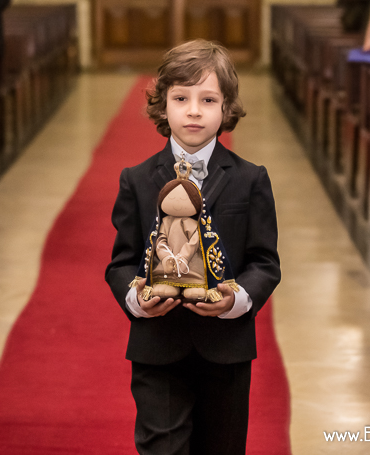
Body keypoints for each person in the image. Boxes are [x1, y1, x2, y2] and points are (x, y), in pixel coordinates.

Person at [106, 40, 281, 455]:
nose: (194, 110)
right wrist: (136, 297)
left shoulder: (250, 179)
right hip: (157, 345)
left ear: (226, 108)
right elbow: (121, 262)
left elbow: (265, 262)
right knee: (160, 446)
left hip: (226, 348)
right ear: (162, 106)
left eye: (208, 99)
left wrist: (237, 298)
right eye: (181, 98)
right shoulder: (137, 179)